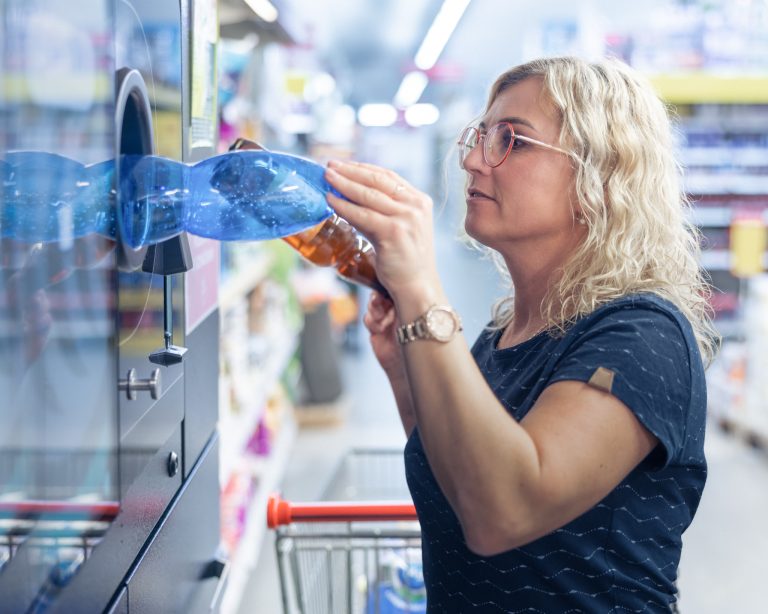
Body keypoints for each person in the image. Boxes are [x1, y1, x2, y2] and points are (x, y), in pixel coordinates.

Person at [323, 56, 718, 612]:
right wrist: (406, 370)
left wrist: (421, 290)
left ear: (599, 176)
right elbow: (461, 473)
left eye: (514, 140)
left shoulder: (643, 336)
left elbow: (502, 511)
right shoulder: (506, 332)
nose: (474, 162)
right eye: (480, 136)